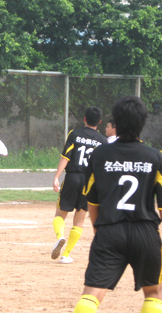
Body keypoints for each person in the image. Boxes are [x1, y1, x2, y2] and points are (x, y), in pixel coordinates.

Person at [72, 96, 162, 313]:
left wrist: (99, 230)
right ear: (143, 123)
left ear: (116, 123)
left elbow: (92, 200)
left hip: (110, 230)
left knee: (90, 295)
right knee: (153, 294)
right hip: (146, 232)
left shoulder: (99, 155)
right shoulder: (156, 157)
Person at [52, 106, 107, 264]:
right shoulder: (102, 141)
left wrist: (56, 177)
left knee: (60, 215)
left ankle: (60, 236)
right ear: (100, 122)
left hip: (72, 177)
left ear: (84, 119)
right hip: (89, 182)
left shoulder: (74, 134)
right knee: (79, 221)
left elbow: (66, 157)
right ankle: (66, 254)